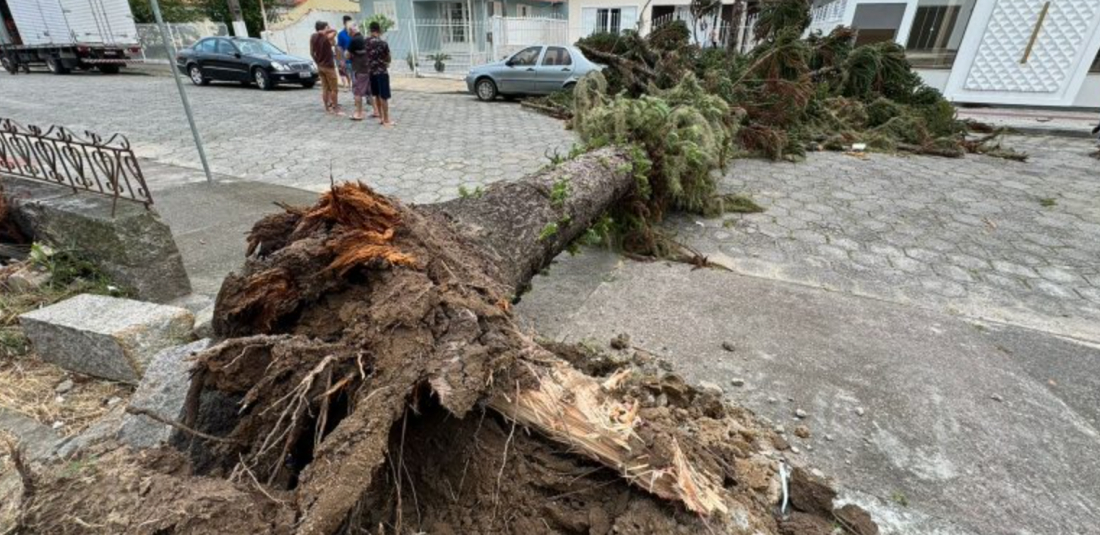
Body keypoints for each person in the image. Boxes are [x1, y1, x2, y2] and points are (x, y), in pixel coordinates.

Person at [365, 21, 394, 127]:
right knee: (384, 96)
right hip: (381, 71)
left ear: (370, 30)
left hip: (371, 72)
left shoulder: (365, 42)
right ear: (379, 30)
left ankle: (381, 118)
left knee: (376, 95)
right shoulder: (383, 43)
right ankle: (386, 119)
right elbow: (388, 58)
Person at [310, 21, 340, 115]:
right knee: (334, 89)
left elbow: (311, 53)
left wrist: (317, 62)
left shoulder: (313, 37)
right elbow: (335, 31)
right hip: (329, 67)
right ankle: (335, 109)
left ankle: (327, 108)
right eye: (326, 27)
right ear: (324, 28)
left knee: (325, 88)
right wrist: (330, 29)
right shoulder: (326, 36)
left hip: (320, 66)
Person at [347, 25, 373, 121]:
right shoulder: (365, 39)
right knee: (369, 92)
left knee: (357, 92)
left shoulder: (353, 41)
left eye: (349, 32)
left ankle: (359, 113)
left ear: (351, 31)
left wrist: (350, 56)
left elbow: (347, 55)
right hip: (368, 69)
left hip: (359, 69)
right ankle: (376, 111)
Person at [336, 15, 354, 90]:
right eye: (347, 23)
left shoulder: (355, 33)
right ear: (344, 23)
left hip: (356, 59)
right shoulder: (341, 34)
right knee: (349, 75)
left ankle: (355, 91)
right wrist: (341, 60)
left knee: (356, 78)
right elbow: (340, 48)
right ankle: (350, 87)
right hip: (347, 60)